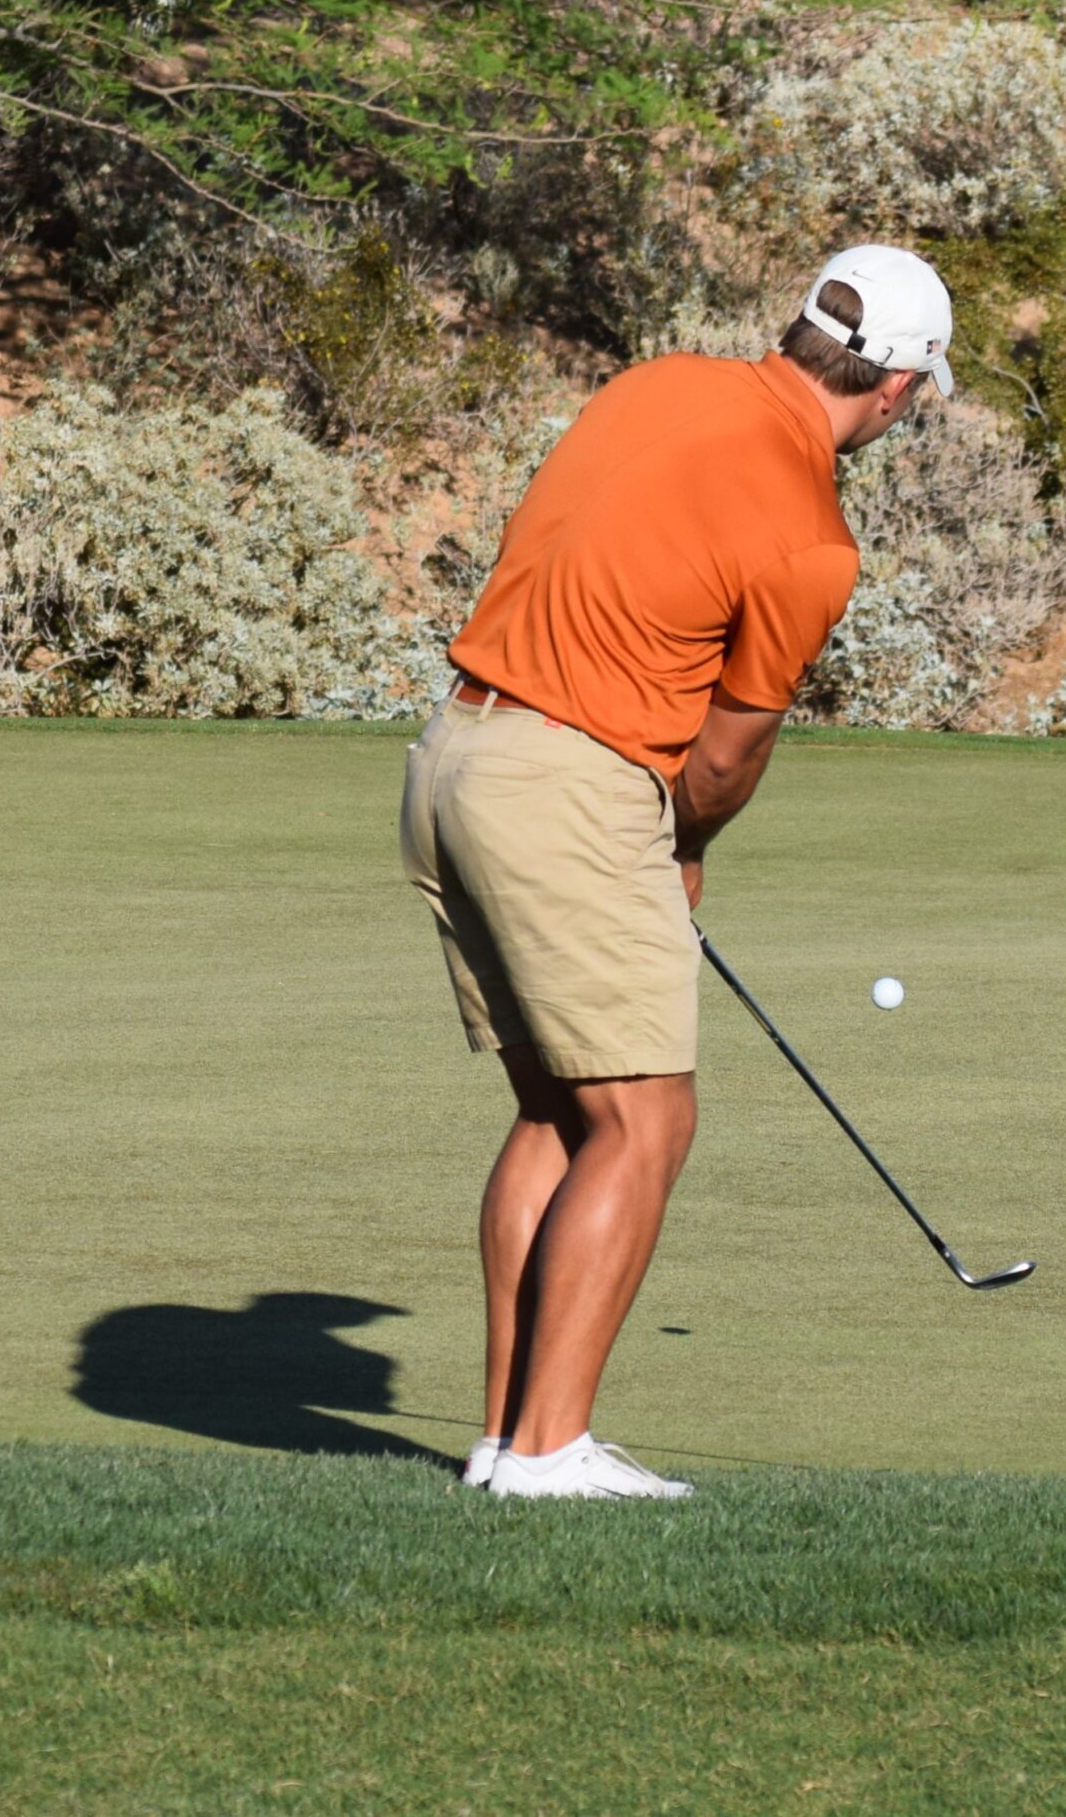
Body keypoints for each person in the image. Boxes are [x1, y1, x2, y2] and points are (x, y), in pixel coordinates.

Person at [399, 243, 955, 1500]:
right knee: (646, 1120)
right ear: (899, 391)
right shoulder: (813, 538)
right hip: (569, 786)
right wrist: (682, 846)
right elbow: (724, 753)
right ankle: (549, 1453)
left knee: (559, 1112)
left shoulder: (652, 383)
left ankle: (504, 1438)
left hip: (452, 757)